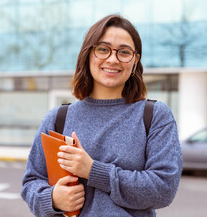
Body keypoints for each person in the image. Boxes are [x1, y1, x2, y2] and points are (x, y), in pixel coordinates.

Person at [21, 14, 182, 217]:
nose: (113, 59)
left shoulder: (155, 116)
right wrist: (53, 199)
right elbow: (31, 182)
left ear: (135, 61)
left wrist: (92, 171)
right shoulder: (58, 118)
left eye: (124, 52)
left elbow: (163, 189)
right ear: (88, 54)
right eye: (103, 49)